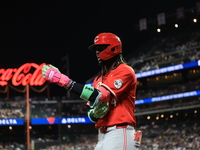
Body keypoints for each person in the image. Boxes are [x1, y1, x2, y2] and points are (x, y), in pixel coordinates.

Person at [42, 32, 142, 150]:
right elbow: (93, 113)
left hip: (120, 132)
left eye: (101, 48)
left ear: (114, 48)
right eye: (96, 49)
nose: (97, 52)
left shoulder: (125, 70)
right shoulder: (98, 79)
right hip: (102, 135)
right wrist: (94, 114)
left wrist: (65, 82)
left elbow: (97, 96)